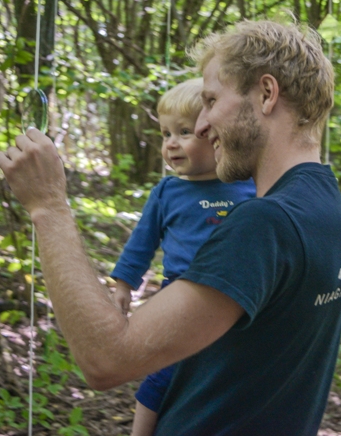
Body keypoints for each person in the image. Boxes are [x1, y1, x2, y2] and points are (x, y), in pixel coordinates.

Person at [0, 19, 341, 435]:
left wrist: (48, 206)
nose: (201, 125)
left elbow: (106, 359)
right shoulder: (326, 204)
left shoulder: (265, 223)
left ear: (267, 94)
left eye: (211, 100)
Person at [110, 78, 255, 435]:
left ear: (214, 134)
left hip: (235, 300)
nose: (171, 143)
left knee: (226, 377)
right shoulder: (167, 192)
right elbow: (142, 243)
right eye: (165, 134)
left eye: (185, 132)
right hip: (179, 297)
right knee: (162, 376)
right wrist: (124, 284)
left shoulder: (248, 186)